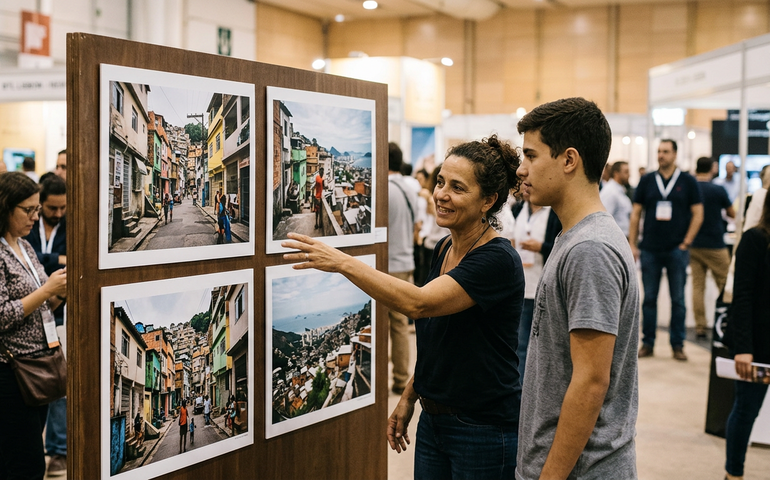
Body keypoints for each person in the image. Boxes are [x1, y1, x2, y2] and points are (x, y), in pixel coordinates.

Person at [282, 135, 524, 479]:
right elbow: (439, 340)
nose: (441, 194)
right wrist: (410, 396)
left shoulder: (498, 259)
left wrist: (342, 262)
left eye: (457, 187)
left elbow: (418, 304)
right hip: (434, 420)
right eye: (440, 181)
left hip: (481, 428)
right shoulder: (444, 247)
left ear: (488, 200)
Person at [515, 98, 639, 479]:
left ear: (569, 160)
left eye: (531, 156)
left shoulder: (590, 249)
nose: (521, 169)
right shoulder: (575, 236)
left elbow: (590, 382)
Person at [0, 172, 67, 480]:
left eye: (36, 209)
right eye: (27, 210)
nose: (35, 217)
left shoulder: (25, 247)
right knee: (25, 464)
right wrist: (46, 291)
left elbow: (40, 305)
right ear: (5, 208)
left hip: (39, 365)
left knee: (26, 459)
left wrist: (58, 296)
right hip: (13, 372)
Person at [630, 139, 703, 361]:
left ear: (675, 154)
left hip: (676, 249)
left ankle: (677, 344)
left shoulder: (688, 181)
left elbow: (698, 213)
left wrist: (686, 242)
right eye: (659, 151)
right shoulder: (647, 180)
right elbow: (636, 214)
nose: (661, 155)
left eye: (666, 151)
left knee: (678, 300)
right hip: (650, 248)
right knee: (649, 298)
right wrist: (633, 243)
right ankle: (648, 343)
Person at [724, 190, 770, 480]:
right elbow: (741, 296)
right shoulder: (756, 240)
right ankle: (734, 474)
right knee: (746, 410)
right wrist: (743, 347)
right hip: (757, 345)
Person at [24, 175, 68, 477]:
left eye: (63, 208)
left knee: (56, 380)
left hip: (60, 308)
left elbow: (76, 257)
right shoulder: (28, 223)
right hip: (31, 306)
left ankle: (58, 453)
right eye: (52, 208)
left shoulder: (69, 222)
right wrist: (55, 259)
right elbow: (27, 254)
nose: (58, 214)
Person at [511, 185, 561, 383]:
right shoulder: (516, 210)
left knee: (538, 344)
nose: (525, 188)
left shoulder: (553, 214)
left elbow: (559, 249)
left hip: (541, 285)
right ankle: (520, 390)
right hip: (520, 285)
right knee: (520, 344)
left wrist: (540, 247)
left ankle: (530, 387)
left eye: (529, 184)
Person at [386, 143, 418, 395]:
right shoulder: (409, 189)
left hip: (388, 265)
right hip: (406, 261)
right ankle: (400, 377)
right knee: (399, 323)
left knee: (383, 322)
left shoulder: (384, 190)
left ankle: (394, 377)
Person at [690, 157, 734, 338]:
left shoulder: (691, 188)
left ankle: (700, 326)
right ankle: (729, 320)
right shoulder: (718, 189)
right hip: (715, 243)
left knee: (698, 287)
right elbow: (732, 212)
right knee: (725, 283)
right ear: (712, 168)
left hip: (695, 243)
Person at [600, 160, 633, 237]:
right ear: (616, 173)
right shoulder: (610, 192)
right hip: (615, 238)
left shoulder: (620, 190)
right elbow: (604, 220)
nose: (629, 175)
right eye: (626, 172)